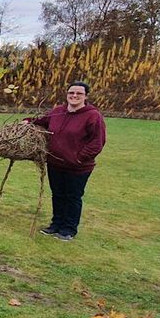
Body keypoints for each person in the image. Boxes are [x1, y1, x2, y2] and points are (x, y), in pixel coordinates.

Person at [28, 81, 106, 241]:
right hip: (55, 164)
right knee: (57, 195)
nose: (74, 96)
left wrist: (78, 158)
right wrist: (27, 121)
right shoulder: (58, 111)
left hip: (77, 167)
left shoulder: (93, 116)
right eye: (71, 93)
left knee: (72, 197)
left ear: (86, 96)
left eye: (79, 93)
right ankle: (55, 225)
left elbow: (97, 142)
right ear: (67, 94)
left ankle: (69, 229)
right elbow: (42, 121)